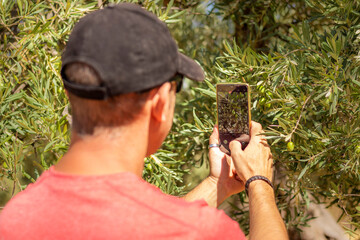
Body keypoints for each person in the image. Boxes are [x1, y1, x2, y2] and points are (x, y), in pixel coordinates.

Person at [0, 3, 288, 240]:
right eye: (177, 86)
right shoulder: (198, 231)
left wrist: (219, 184)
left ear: (69, 94)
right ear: (160, 102)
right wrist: (259, 182)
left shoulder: (13, 220)